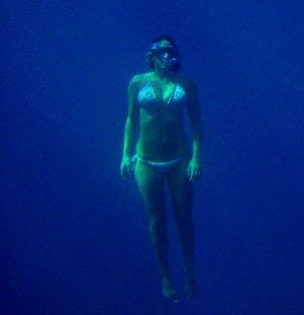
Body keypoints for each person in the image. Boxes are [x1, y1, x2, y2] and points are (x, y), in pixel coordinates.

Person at [120, 35, 202, 302]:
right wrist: (124, 155)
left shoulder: (186, 85)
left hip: (179, 160)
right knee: (156, 221)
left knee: (184, 218)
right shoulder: (138, 82)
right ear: (153, 55)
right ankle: (165, 275)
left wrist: (196, 158)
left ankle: (189, 269)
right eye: (164, 51)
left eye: (173, 51)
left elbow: (197, 124)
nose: (169, 56)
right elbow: (131, 119)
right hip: (145, 162)